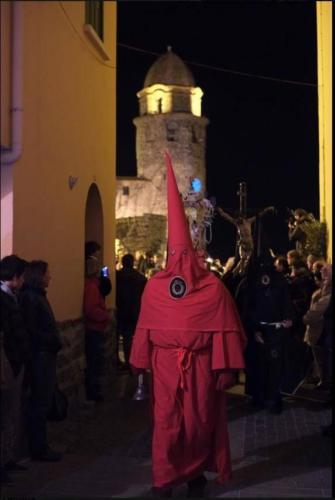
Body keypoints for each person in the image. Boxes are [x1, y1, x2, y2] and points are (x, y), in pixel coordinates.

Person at [130, 153, 247, 498]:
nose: (180, 262)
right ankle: (164, 479)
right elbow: (144, 330)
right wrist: (140, 363)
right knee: (166, 423)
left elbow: (224, 331)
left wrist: (224, 370)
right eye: (175, 255)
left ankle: (195, 474)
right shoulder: (154, 287)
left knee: (199, 423)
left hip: (200, 367)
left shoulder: (212, 287)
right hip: (167, 368)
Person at [19, 260, 63, 461]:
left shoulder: (37, 297)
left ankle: (40, 445)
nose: (50, 277)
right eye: (47, 273)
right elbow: (30, 329)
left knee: (42, 401)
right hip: (40, 357)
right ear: (39, 275)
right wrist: (50, 341)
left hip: (45, 355)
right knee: (39, 402)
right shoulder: (31, 298)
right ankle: (38, 448)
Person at [243, 251, 293, 413]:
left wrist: (288, 319)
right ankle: (262, 397)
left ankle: (271, 397)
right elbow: (249, 308)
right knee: (263, 366)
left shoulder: (278, 282)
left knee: (273, 365)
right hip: (263, 330)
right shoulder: (253, 282)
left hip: (274, 330)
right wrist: (255, 329)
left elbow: (286, 303)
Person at [0, 255, 31, 484]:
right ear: (15, 276)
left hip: (14, 361)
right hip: (7, 363)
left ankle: (7, 458)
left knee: (10, 413)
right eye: (22, 276)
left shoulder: (12, 297)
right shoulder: (3, 300)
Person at [83, 257, 109, 401]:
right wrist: (105, 316)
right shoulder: (92, 287)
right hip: (94, 329)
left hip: (95, 328)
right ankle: (93, 392)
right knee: (94, 361)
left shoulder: (93, 285)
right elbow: (91, 309)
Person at [303, 264, 332, 389]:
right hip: (320, 330)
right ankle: (323, 381)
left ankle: (325, 383)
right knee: (320, 360)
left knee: (323, 361)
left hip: (322, 331)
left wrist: (305, 319)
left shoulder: (327, 295)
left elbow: (315, 312)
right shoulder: (323, 290)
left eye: (326, 273)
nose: (323, 275)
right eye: (322, 272)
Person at [116, 254, 146, 370]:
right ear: (133, 263)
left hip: (119, 310)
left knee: (116, 337)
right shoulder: (140, 278)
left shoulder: (116, 276)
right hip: (134, 310)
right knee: (129, 338)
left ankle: (117, 362)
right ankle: (130, 363)